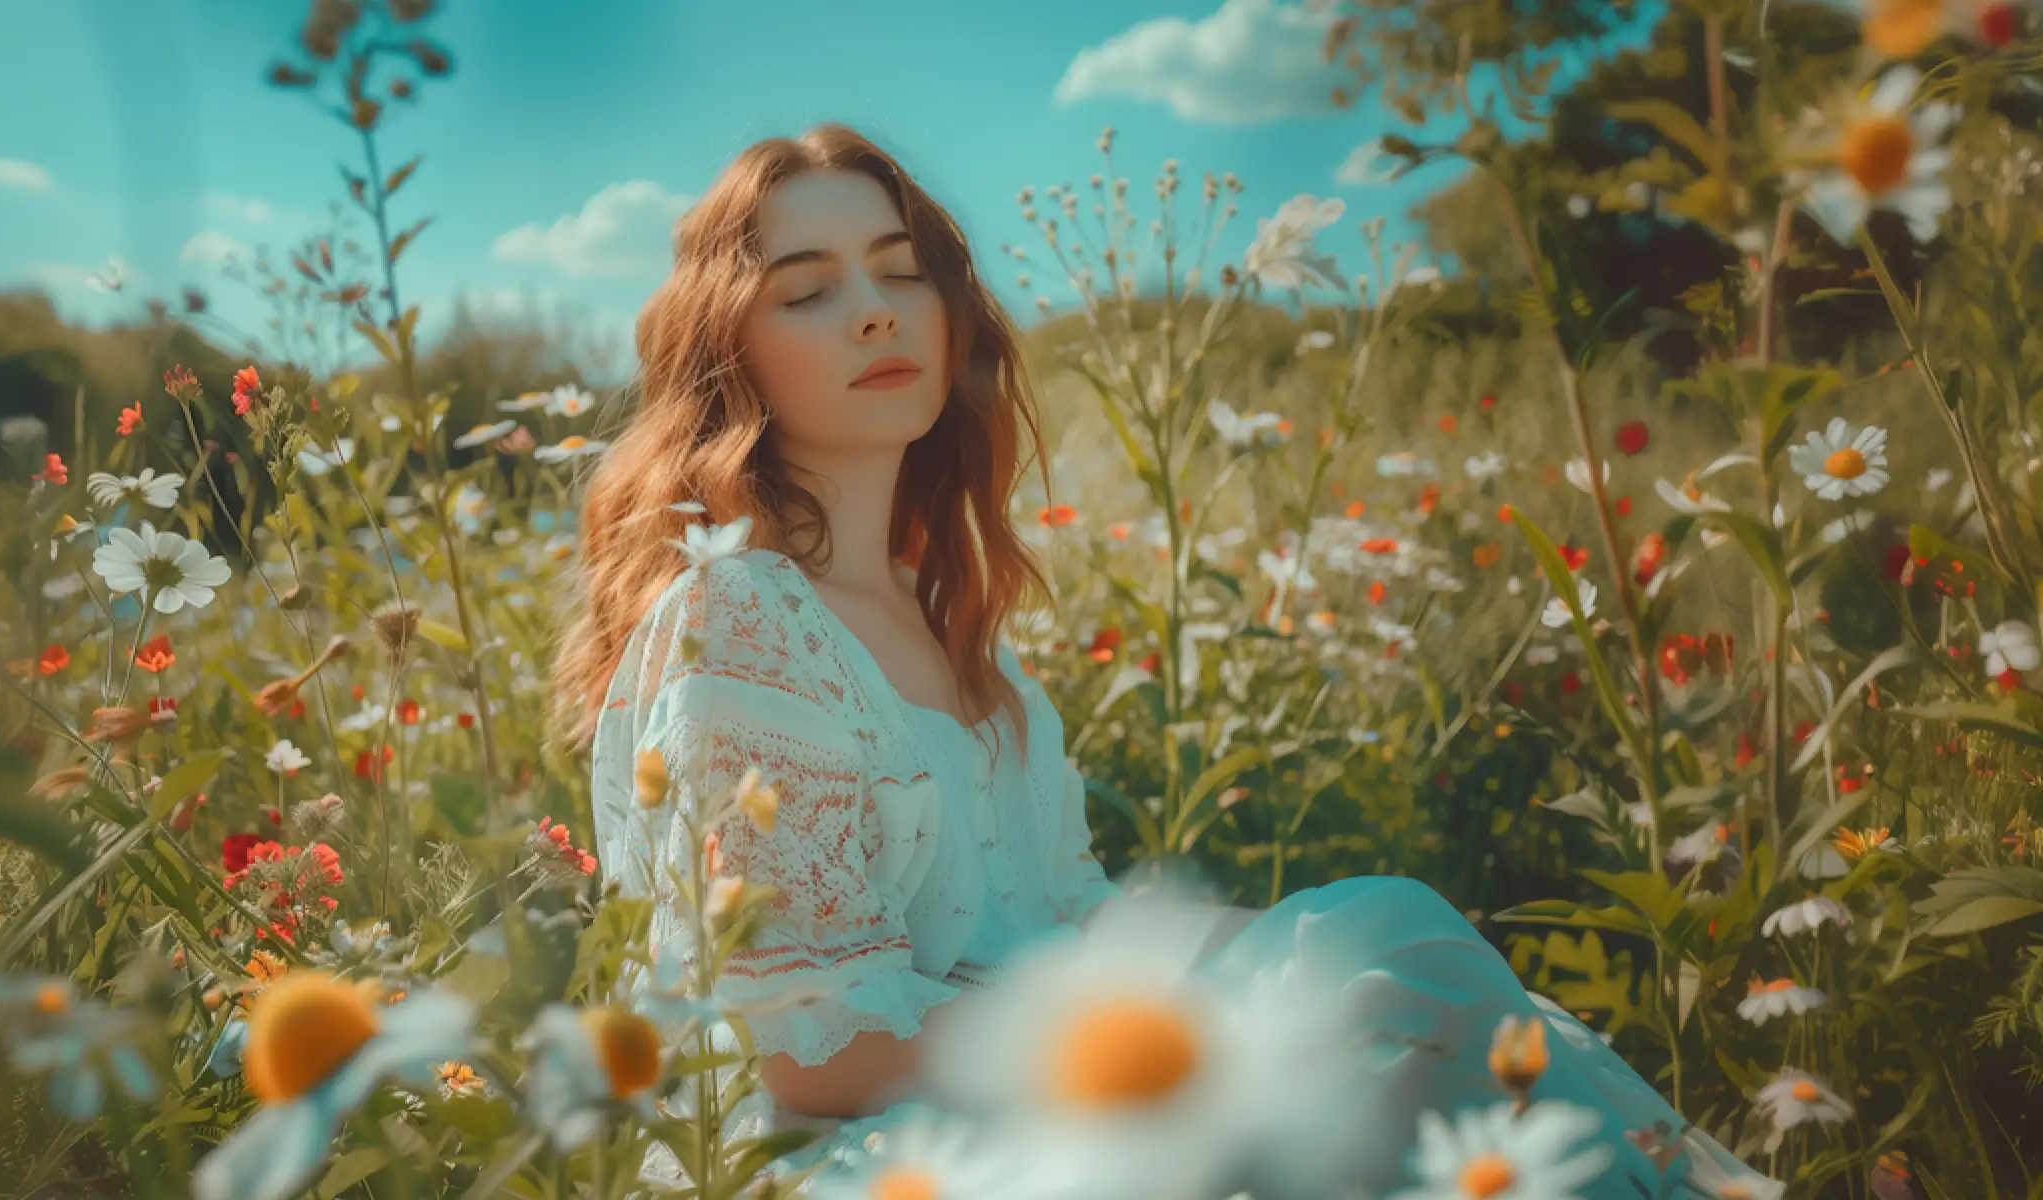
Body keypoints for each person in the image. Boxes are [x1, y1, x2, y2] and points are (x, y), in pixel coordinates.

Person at [550, 123, 1774, 1198]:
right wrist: (1168, 1037)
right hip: (882, 1150)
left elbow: (1070, 919)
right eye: (808, 290)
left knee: (1390, 955)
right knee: (1351, 1028)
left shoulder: (947, 615)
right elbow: (807, 1053)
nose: (875, 310)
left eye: (900, 271)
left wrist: (1292, 961)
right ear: (730, 354)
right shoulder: (744, 615)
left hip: (1029, 1074)